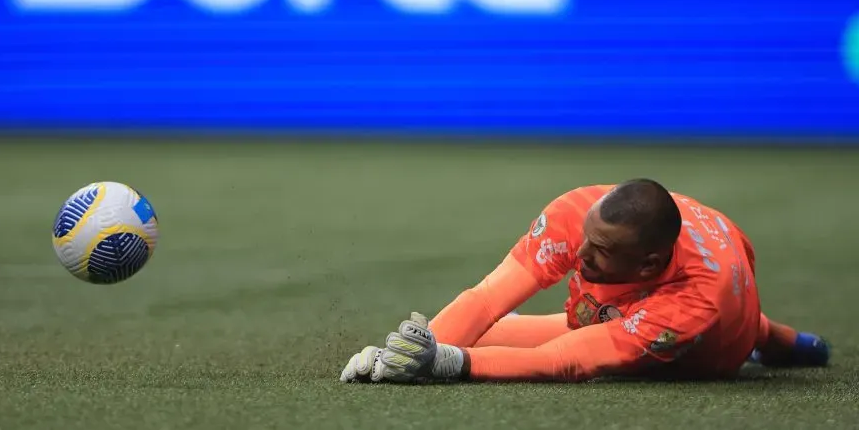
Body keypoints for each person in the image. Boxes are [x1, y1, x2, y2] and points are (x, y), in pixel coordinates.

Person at [340, 179, 830, 384]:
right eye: (586, 238)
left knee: (748, 336)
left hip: (711, 345)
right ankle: (786, 339)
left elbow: (566, 360)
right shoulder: (577, 215)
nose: (579, 254)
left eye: (601, 252)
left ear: (647, 264)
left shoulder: (694, 304)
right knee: (490, 330)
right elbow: (489, 297)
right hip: (696, 277)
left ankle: (776, 340)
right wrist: (402, 358)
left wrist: (448, 361)